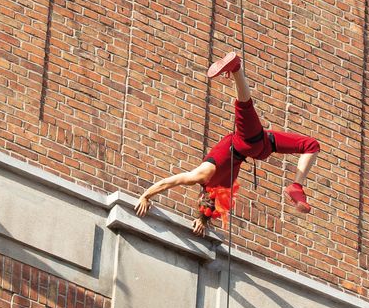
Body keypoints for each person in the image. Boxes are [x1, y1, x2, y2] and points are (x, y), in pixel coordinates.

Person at [134, 52, 320, 235]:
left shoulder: (223, 188)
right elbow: (168, 182)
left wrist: (202, 220)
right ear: (201, 195)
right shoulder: (202, 176)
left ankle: (297, 186)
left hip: (265, 144)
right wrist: (145, 196)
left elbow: (210, 204)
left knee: (311, 145)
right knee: (244, 106)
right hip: (246, 141)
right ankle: (237, 67)